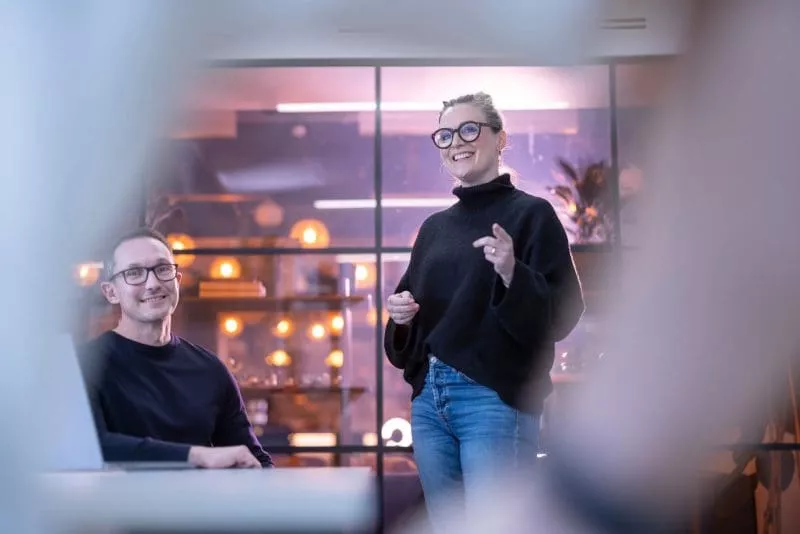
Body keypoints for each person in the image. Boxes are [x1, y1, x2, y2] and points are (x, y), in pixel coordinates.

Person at [384, 92, 584, 527]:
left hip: (494, 399)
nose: (457, 141)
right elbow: (411, 325)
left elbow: (564, 314)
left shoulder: (532, 215)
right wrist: (400, 317)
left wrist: (513, 272)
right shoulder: (434, 229)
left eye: (469, 129)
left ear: (500, 139)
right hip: (429, 405)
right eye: (445, 134)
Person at [79, 227, 273, 469]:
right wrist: (197, 456)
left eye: (162, 269)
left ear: (177, 281)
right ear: (111, 292)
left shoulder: (210, 370)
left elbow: (254, 460)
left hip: (195, 506)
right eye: (134, 273)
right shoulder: (85, 364)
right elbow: (90, 446)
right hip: (118, 505)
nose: (153, 283)